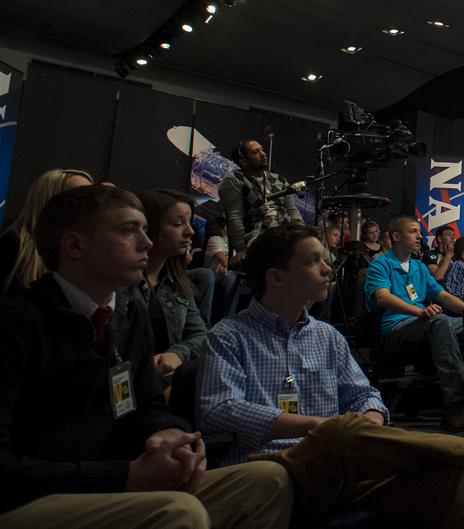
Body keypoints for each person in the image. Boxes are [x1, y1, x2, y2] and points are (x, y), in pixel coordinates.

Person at [198, 222, 464, 529]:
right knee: (339, 429)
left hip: (342, 469)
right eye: (314, 261)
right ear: (276, 277)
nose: (327, 269)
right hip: (271, 467)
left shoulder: (327, 336)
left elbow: (366, 395)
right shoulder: (229, 337)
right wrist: (318, 428)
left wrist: (367, 419)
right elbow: (219, 410)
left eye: (326, 259)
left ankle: (462, 454)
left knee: (447, 475)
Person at [0, 184, 294, 529]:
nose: (147, 242)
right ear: (74, 245)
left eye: (144, 228)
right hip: (30, 499)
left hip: (115, 484)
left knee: (268, 479)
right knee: (178, 512)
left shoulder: (128, 312)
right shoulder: (16, 324)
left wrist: (171, 434)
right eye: (128, 230)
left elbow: (147, 404)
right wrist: (124, 476)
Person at [364, 216, 464, 431]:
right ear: (397, 236)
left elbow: (442, 295)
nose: (420, 236)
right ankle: (456, 406)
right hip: (396, 329)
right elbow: (382, 298)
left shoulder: (418, 266)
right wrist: (419, 311)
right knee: (440, 321)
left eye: (419, 231)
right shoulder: (381, 263)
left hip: (423, 324)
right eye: (413, 231)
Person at [139, 190, 209, 389]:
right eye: (178, 224)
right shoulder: (118, 282)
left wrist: (177, 354)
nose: (190, 231)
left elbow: (201, 335)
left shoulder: (178, 282)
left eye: (189, 222)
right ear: (149, 227)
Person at [0, 167, 93, 294]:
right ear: (50, 201)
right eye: (80, 197)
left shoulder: (83, 249)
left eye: (91, 196)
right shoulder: (14, 243)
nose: (90, 205)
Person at [216, 139, 303, 258]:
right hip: (258, 237)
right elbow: (234, 217)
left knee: (322, 254)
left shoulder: (279, 179)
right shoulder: (235, 180)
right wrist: (241, 249)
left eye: (262, 149)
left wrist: (303, 233)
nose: (263, 154)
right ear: (243, 161)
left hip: (285, 233)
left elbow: (292, 211)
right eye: (255, 152)